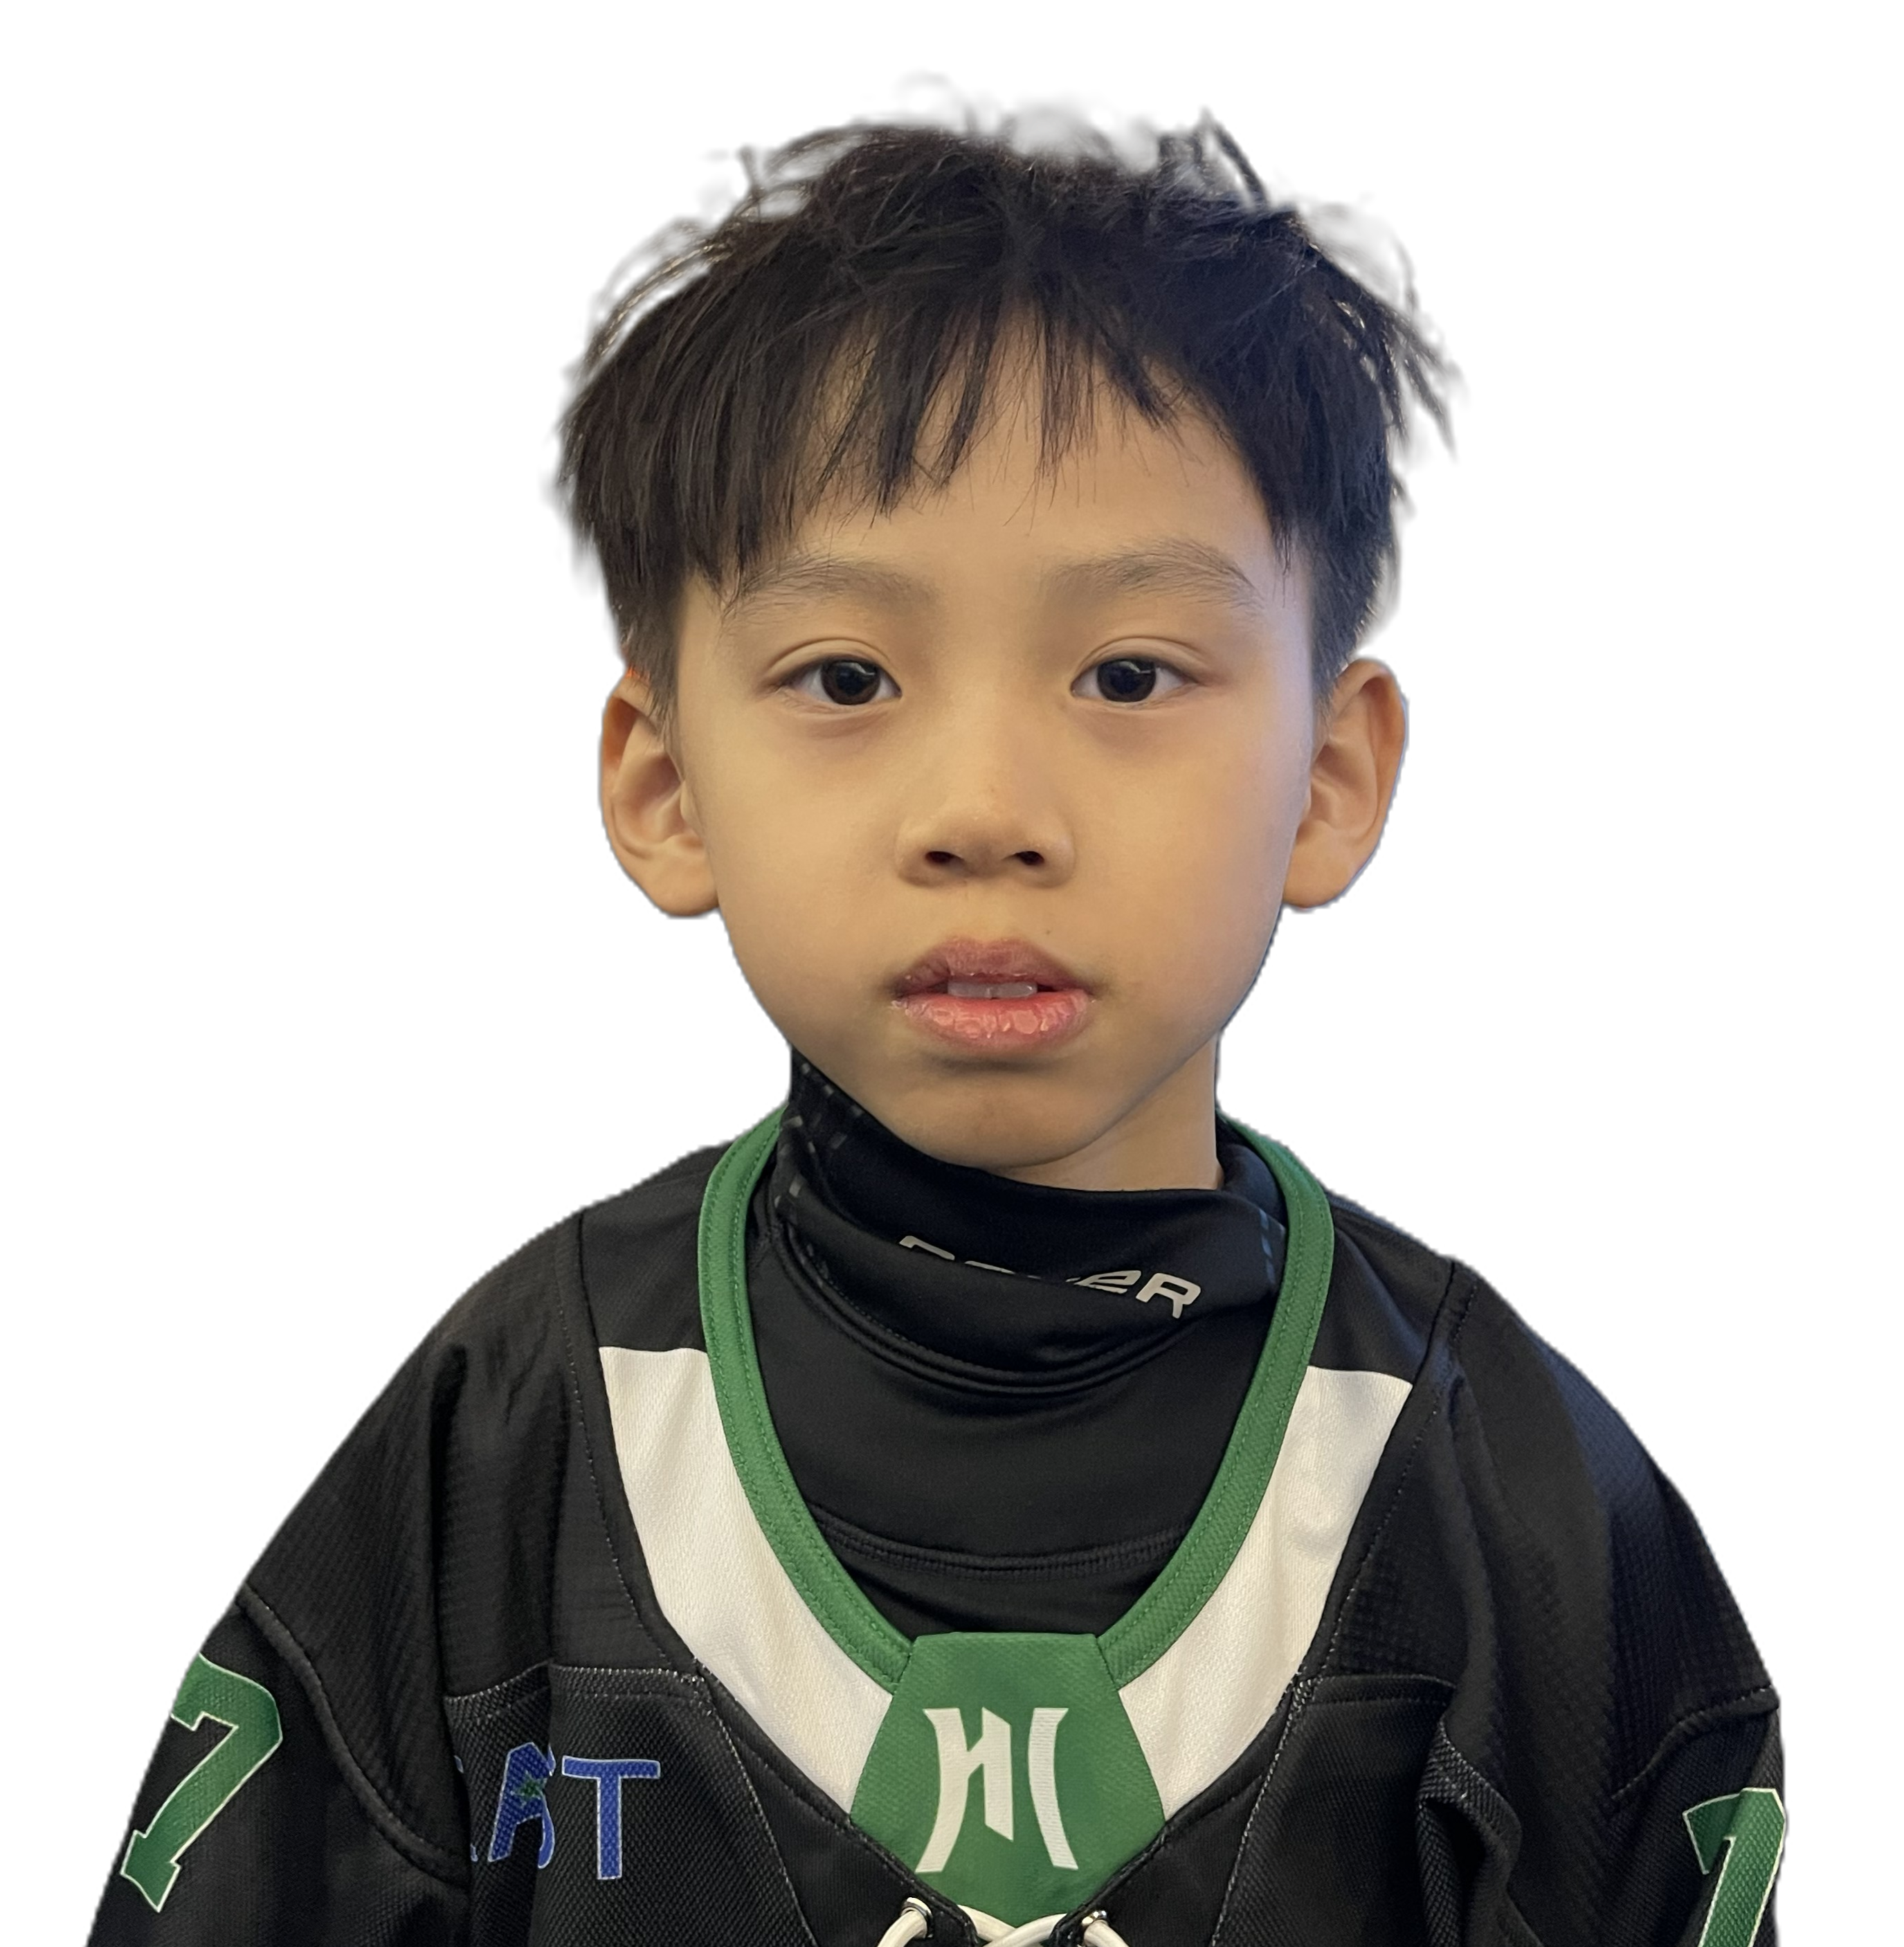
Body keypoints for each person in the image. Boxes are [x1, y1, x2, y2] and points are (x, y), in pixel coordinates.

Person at [91, 106, 1783, 1946]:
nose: (984, 809)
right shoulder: (516, 1431)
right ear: (664, 783)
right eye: (847, 675)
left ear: (1330, 777)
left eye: (1128, 671)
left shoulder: (1501, 1483)